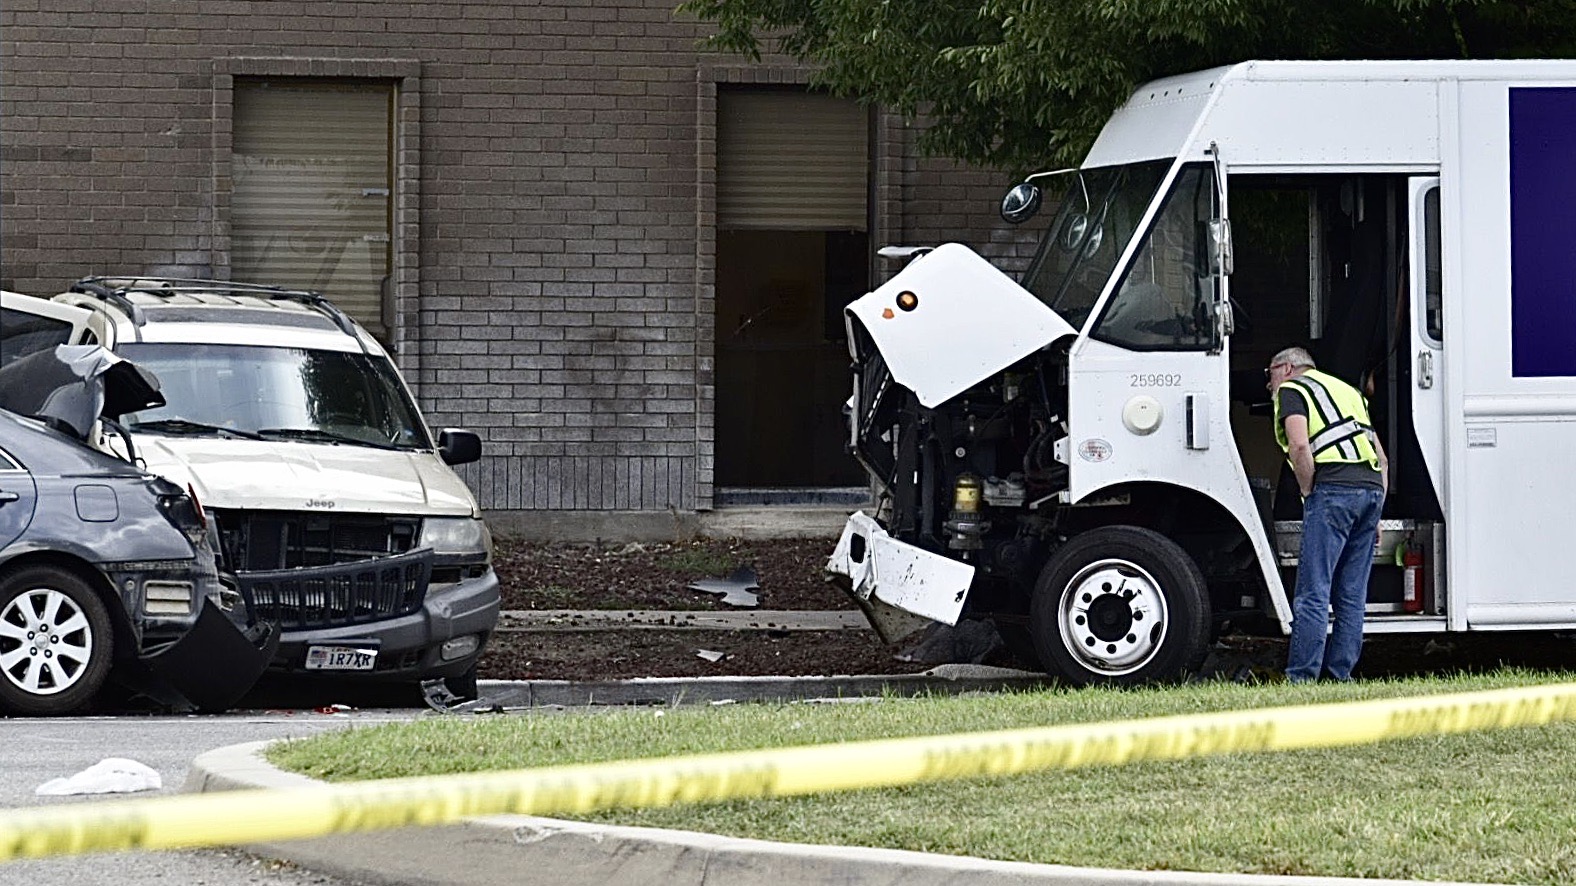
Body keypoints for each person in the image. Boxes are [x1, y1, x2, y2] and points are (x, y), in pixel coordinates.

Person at [1267, 346, 1388, 682]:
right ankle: (1339, 674)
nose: (1269, 384)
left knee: (1314, 590)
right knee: (1352, 593)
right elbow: (1382, 458)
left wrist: (1308, 492)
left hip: (1333, 491)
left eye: (1270, 374)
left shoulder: (1293, 389)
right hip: (1371, 490)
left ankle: (1302, 676)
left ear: (1288, 367)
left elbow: (1300, 445)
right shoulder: (1347, 391)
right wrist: (1376, 514)